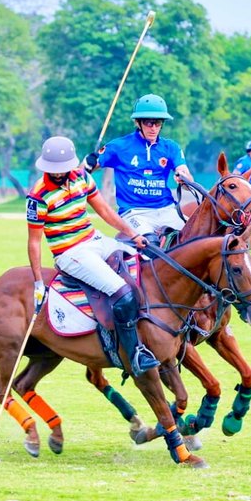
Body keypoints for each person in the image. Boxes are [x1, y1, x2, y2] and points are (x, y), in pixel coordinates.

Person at [27, 136, 158, 377]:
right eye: (53, 170)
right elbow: (34, 242)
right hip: (70, 252)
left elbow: (106, 211)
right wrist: (37, 282)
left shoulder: (82, 177)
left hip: (94, 239)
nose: (57, 174)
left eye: (62, 169)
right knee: (122, 292)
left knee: (143, 264)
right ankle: (134, 354)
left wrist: (133, 234)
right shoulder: (38, 196)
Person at [84, 94, 194, 243]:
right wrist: (87, 163)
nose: (154, 128)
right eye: (149, 123)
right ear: (138, 122)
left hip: (167, 210)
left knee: (195, 239)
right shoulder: (119, 146)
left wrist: (184, 178)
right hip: (134, 212)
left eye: (158, 123)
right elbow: (81, 173)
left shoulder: (171, 148)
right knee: (151, 244)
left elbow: (187, 179)